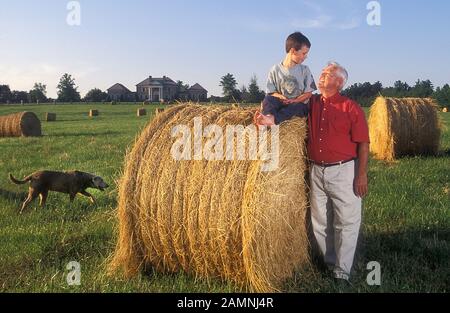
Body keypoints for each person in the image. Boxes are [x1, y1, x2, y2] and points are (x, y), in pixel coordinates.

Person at [307, 62, 370, 284]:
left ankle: (342, 274)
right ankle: (330, 263)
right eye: (322, 72)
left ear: (339, 82)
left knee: (346, 222)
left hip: (344, 171)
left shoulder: (351, 108)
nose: (323, 75)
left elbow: (363, 143)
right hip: (316, 170)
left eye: (329, 74)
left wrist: (361, 175)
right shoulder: (312, 102)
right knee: (319, 221)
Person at [254, 32, 317, 126]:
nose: (306, 57)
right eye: (304, 53)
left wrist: (295, 100)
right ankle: (268, 116)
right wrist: (280, 97)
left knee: (297, 107)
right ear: (293, 51)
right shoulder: (275, 69)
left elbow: (308, 94)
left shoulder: (305, 70)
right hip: (281, 103)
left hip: (297, 105)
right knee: (268, 99)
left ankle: (274, 120)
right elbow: (271, 92)